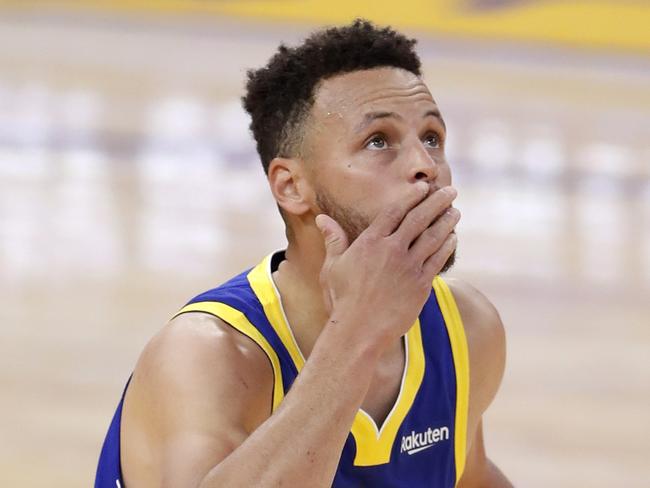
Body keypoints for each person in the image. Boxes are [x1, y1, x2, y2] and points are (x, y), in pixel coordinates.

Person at [96, 19, 512, 488]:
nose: (425, 166)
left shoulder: (465, 328)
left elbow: (468, 475)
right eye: (379, 142)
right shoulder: (207, 355)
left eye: (431, 137)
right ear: (292, 187)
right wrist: (356, 335)